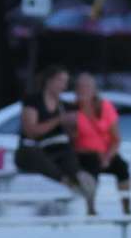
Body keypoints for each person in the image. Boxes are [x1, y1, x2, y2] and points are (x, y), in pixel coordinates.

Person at [16, 66, 92, 208]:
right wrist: (58, 120)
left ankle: (80, 181)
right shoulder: (33, 101)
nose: (63, 85)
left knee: (70, 155)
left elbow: (75, 135)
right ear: (49, 81)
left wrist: (73, 124)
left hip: (55, 150)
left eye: (65, 82)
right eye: (60, 80)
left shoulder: (65, 106)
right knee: (38, 156)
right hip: (32, 151)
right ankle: (68, 183)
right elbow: (31, 132)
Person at [72, 73, 131, 216]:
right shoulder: (71, 110)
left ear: (94, 90)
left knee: (122, 167)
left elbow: (116, 139)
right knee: (91, 165)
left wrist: (107, 157)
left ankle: (126, 208)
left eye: (87, 87)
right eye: (80, 87)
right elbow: (70, 141)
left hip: (106, 152)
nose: (83, 90)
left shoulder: (105, 106)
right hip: (84, 154)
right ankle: (91, 209)